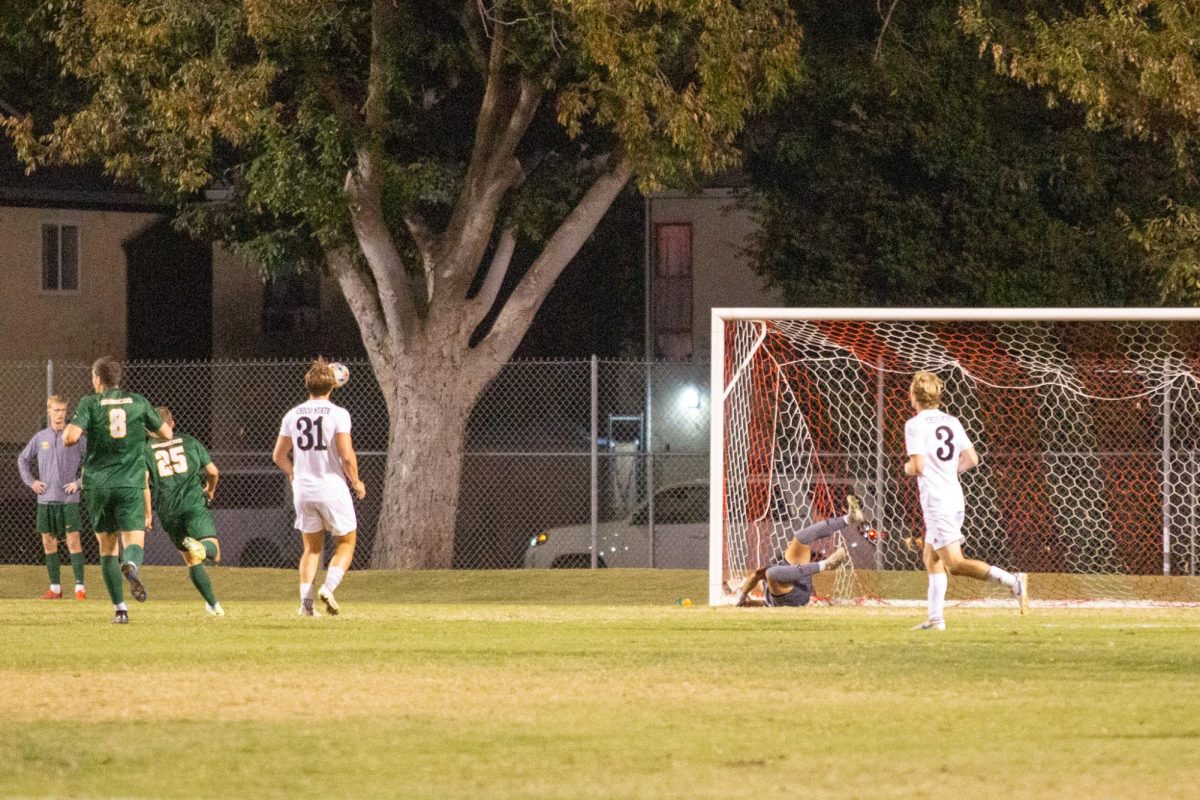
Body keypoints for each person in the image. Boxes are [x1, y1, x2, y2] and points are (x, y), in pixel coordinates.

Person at [903, 371, 1027, 630]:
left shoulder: (915, 425)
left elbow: (917, 466)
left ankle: (1013, 581)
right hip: (954, 497)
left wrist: (907, 468)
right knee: (931, 558)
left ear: (914, 395)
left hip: (937, 502)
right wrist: (948, 471)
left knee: (955, 564)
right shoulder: (952, 421)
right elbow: (972, 459)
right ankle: (936, 619)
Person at [64, 357, 172, 624]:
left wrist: (78, 429)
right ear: (118, 378)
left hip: (98, 485)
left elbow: (70, 438)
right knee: (133, 542)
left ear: (98, 379)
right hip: (130, 482)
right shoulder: (137, 401)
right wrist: (141, 433)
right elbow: (167, 434)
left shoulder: (90, 402)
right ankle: (132, 565)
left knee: (107, 549)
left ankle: (120, 610)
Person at [272, 358, 366, 617]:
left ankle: (305, 604)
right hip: (331, 487)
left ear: (307, 385)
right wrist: (356, 481)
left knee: (312, 548)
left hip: (303, 489)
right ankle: (328, 587)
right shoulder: (338, 414)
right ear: (333, 386)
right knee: (346, 542)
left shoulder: (292, 414)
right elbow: (347, 456)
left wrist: (293, 473)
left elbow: (279, 455)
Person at [144, 406, 225, 617]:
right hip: (193, 503)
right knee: (213, 551)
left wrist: (148, 514)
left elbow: (144, 483)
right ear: (171, 424)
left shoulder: (145, 449)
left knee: (191, 559)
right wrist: (210, 490)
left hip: (168, 510)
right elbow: (213, 472)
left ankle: (213, 605)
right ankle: (200, 546)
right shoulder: (189, 441)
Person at [733, 496, 864, 607]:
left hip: (800, 581)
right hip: (793, 597)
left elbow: (755, 575)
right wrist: (747, 602)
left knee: (801, 537)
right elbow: (761, 592)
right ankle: (826, 564)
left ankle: (849, 519)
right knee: (771, 573)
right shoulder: (770, 599)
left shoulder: (761, 580)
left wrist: (742, 595)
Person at [18, 395, 88, 600]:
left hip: (68, 501)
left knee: (73, 541)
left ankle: (80, 589)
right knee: (49, 543)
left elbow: (93, 462)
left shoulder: (76, 437)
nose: (59, 414)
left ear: (67, 412)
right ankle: (55, 589)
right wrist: (32, 482)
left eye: (63, 410)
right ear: (48, 411)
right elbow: (22, 459)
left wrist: (78, 483)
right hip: (45, 500)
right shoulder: (40, 438)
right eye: (55, 410)